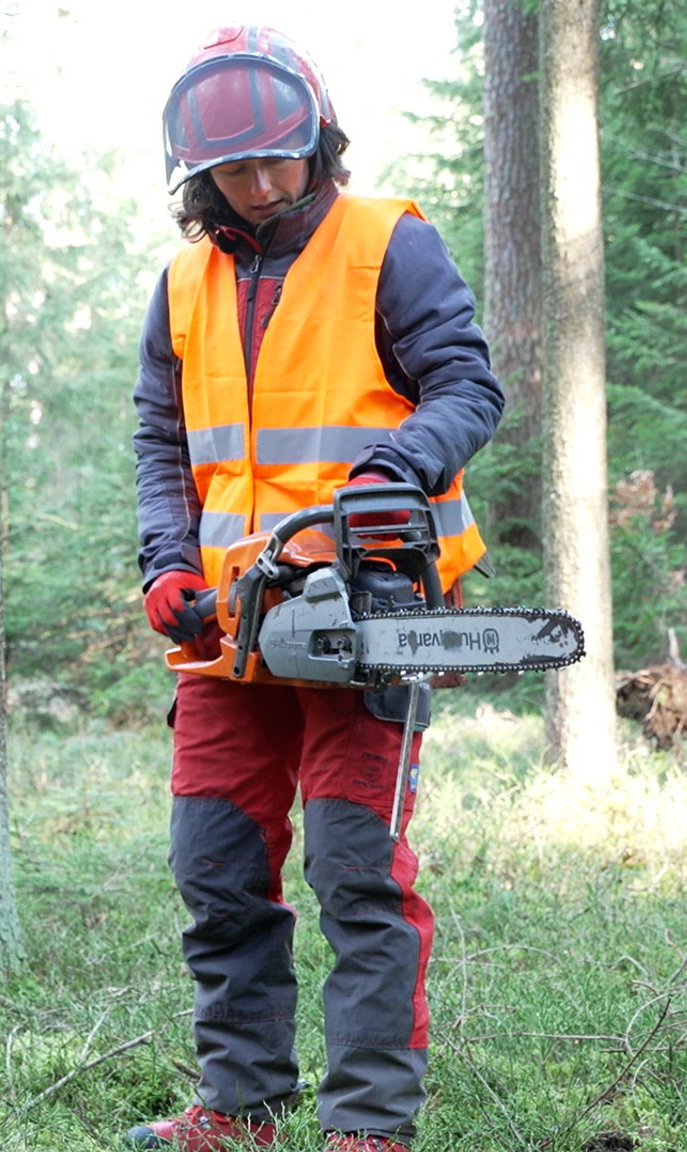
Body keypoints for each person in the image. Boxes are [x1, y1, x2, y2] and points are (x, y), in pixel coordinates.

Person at [129, 25, 503, 1152]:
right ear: (199, 180)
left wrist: (395, 469)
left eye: (275, 161)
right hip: (225, 627)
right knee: (215, 864)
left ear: (315, 142)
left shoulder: (385, 243)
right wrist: (165, 559)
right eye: (233, 171)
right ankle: (239, 1105)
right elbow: (158, 437)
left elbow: (465, 384)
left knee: (354, 871)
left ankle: (369, 1126)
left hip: (362, 609)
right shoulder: (183, 281)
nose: (257, 184)